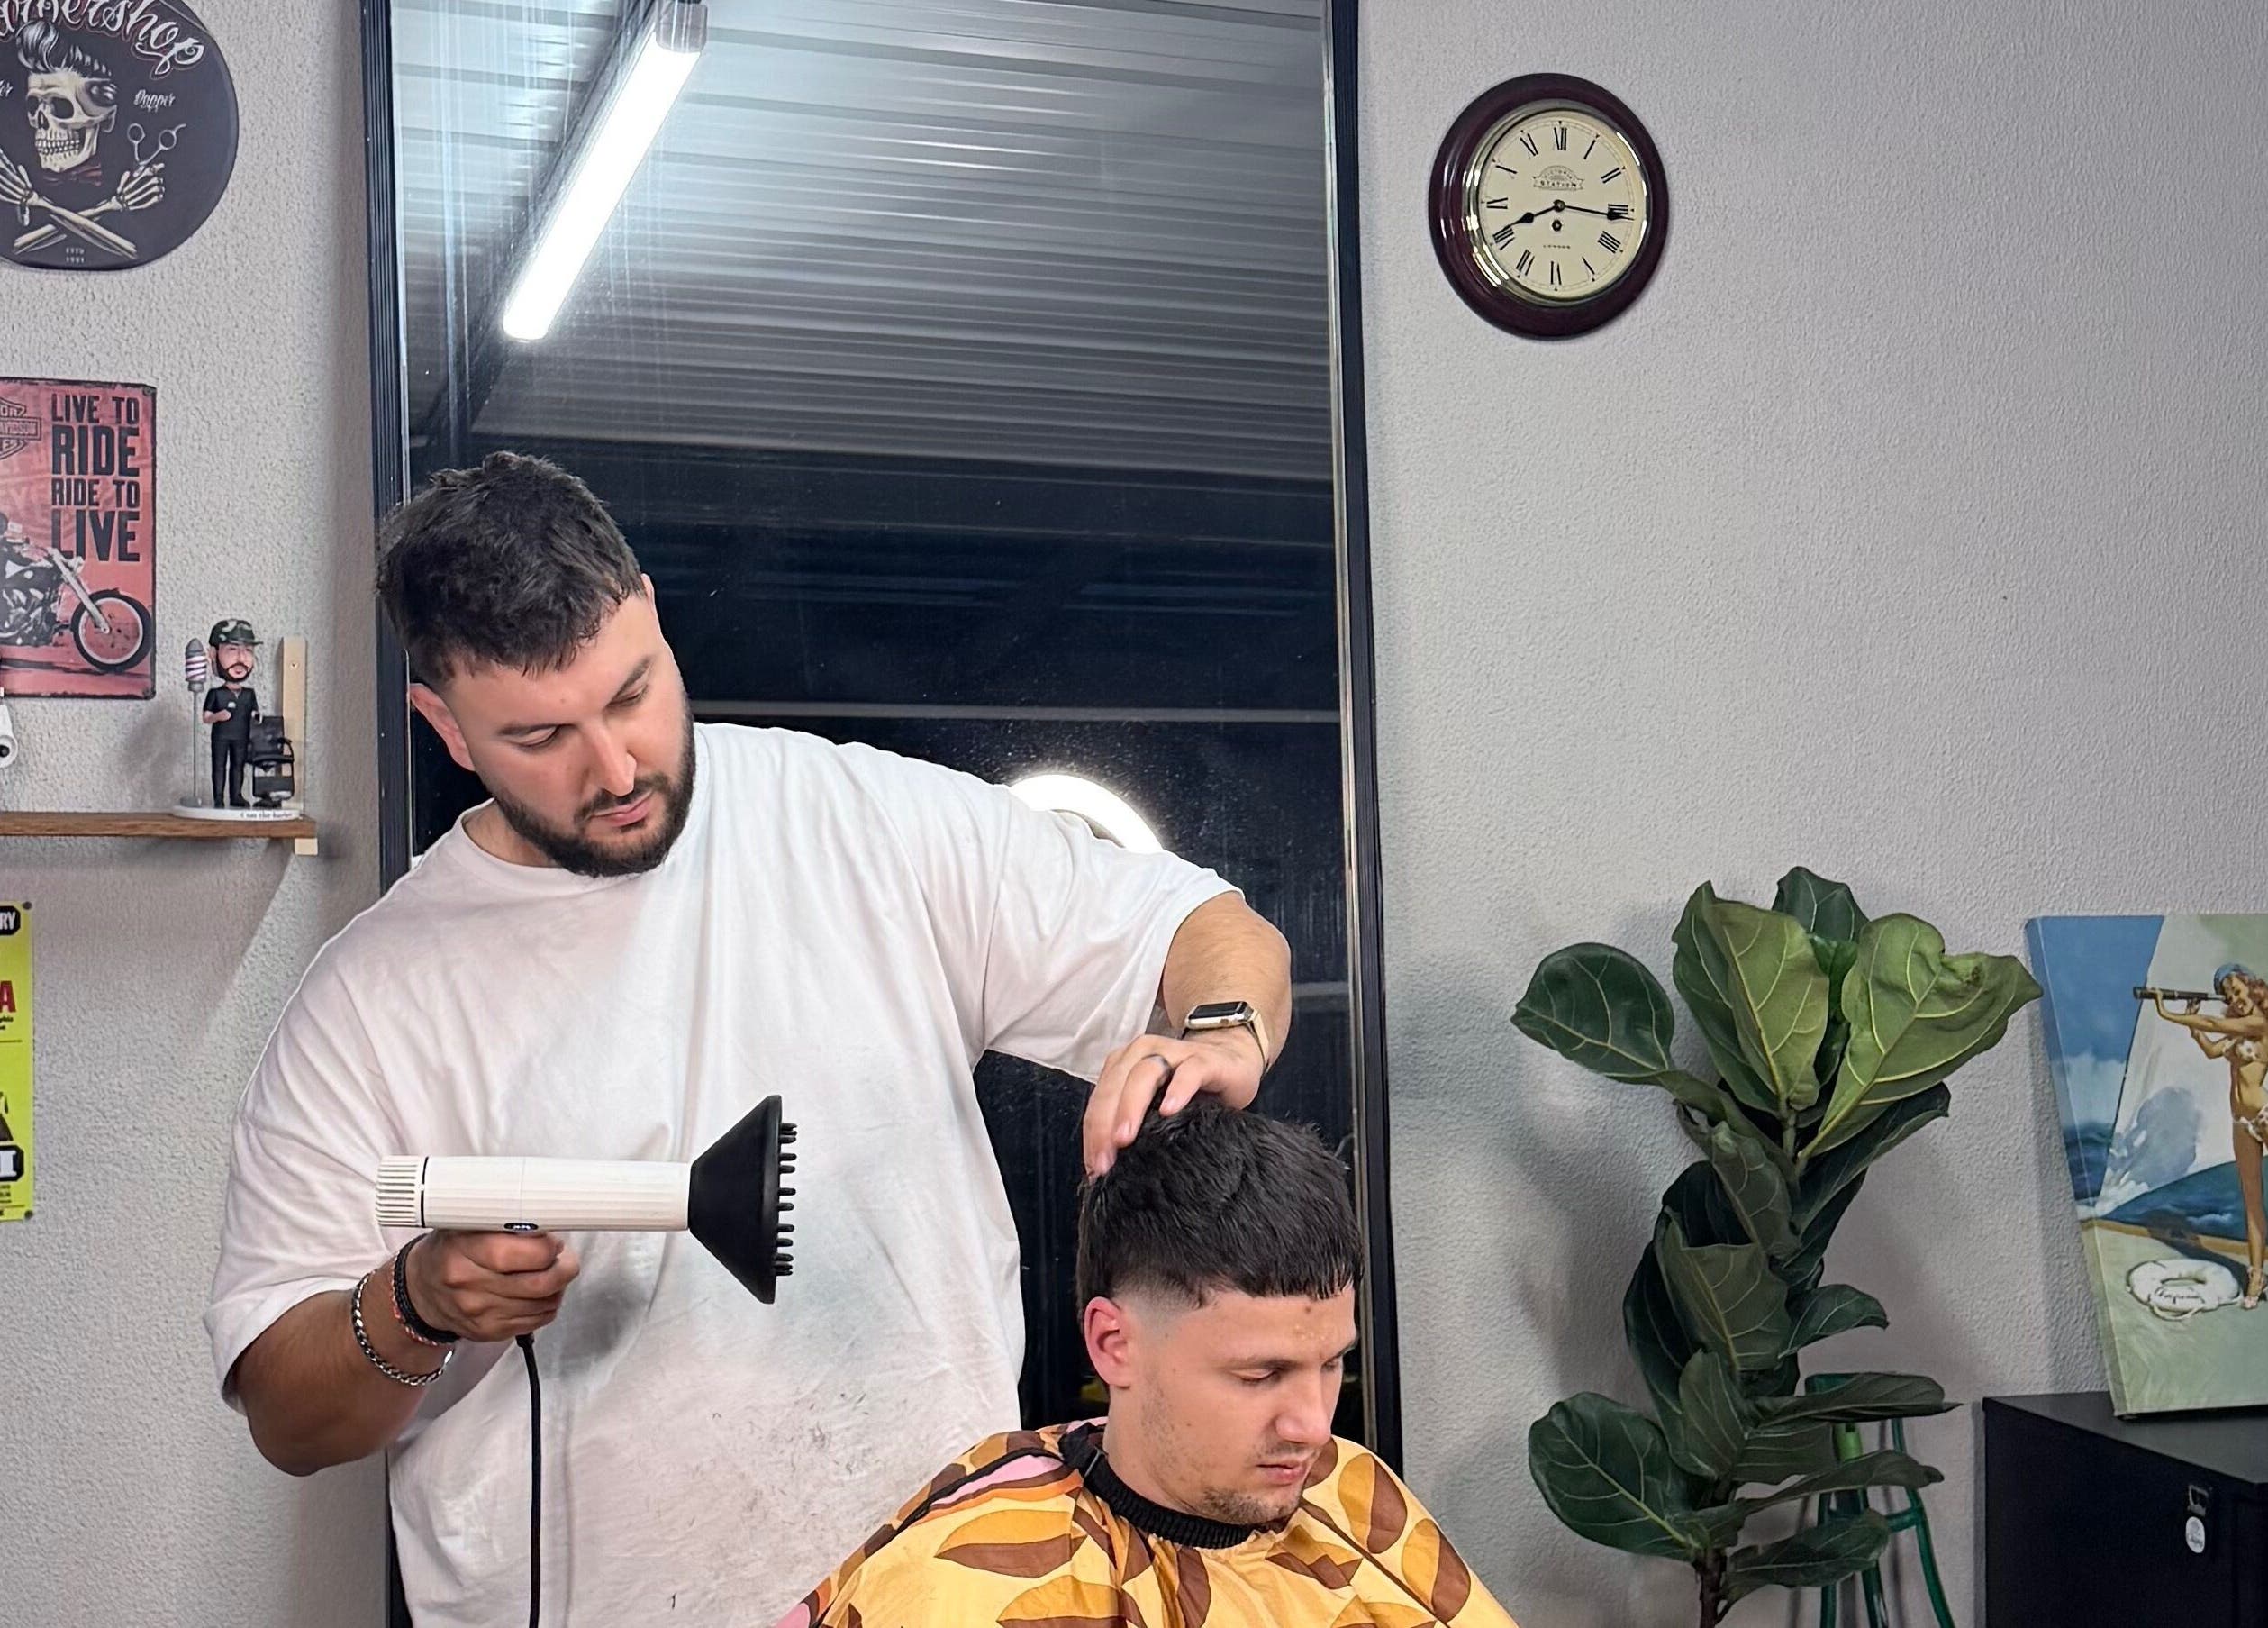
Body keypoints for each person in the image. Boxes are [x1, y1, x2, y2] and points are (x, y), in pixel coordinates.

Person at [203, 453, 1293, 1625]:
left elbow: (1207, 928)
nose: (614, 767)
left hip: (945, 1596)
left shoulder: (863, 821)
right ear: (446, 727)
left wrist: (1219, 1031)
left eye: (632, 693)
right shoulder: (369, 1003)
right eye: (541, 734)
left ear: (655, 618)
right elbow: (289, 1410)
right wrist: (414, 1302)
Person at [784, 1102, 1519, 1627]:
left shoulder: (1353, 1494)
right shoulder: (967, 1589)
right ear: (1114, 1344)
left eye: (1331, 1365)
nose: (1313, 1426)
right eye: (1259, 1374)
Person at [2149, 965, 2268, 1308]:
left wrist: (2164, 1011)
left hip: (2264, 1114)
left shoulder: (2259, 1023)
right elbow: (2214, 1049)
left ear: (2252, 986)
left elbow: (2217, 1024)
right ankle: (2257, 1275)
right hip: (2240, 1122)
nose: (2234, 997)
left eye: (2238, 989)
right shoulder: (2238, 1031)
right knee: (2251, 1199)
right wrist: (2193, 1029)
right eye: (2229, 994)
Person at [200, 618, 259, 807]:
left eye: (248, 650)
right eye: (232, 650)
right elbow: (206, 717)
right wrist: (218, 716)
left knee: (238, 766)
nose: (241, 658)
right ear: (213, 654)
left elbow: (254, 713)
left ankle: (236, 796)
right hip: (221, 736)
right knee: (219, 766)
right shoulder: (216, 694)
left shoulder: (249, 694)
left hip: (241, 737)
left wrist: (257, 718)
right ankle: (219, 798)